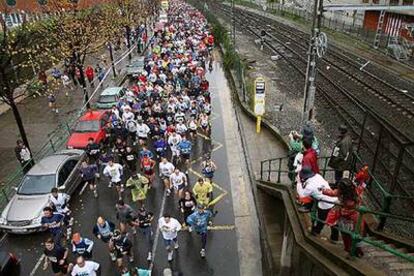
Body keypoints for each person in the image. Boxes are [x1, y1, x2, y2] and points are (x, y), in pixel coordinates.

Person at [296, 167, 339, 242]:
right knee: (333, 220)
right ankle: (334, 237)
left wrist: (299, 183)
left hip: (325, 204)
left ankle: (317, 231)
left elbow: (302, 194)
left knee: (322, 219)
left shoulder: (310, 186)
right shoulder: (318, 176)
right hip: (333, 200)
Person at [324, 178, 365, 257]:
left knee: (346, 234)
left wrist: (323, 190)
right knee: (358, 234)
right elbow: (362, 187)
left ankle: (350, 249)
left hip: (347, 219)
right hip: (357, 218)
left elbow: (332, 193)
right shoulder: (356, 192)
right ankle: (357, 249)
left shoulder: (344, 197)